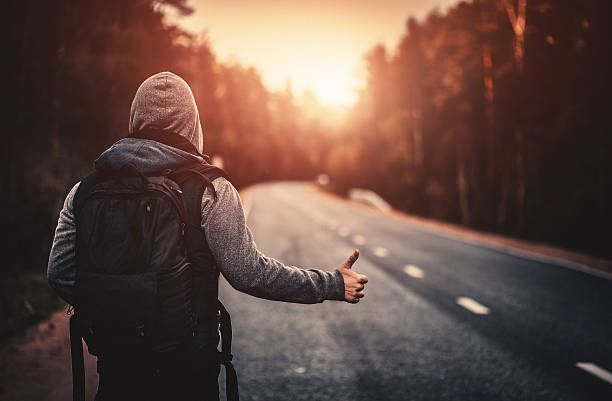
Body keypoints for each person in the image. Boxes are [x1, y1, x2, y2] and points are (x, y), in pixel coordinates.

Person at [47, 71, 368, 401]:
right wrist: (330, 283)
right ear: (192, 125)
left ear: (135, 119)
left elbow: (59, 274)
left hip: (116, 372)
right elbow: (249, 274)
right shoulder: (210, 190)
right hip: (186, 377)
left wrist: (119, 311)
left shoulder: (84, 191)